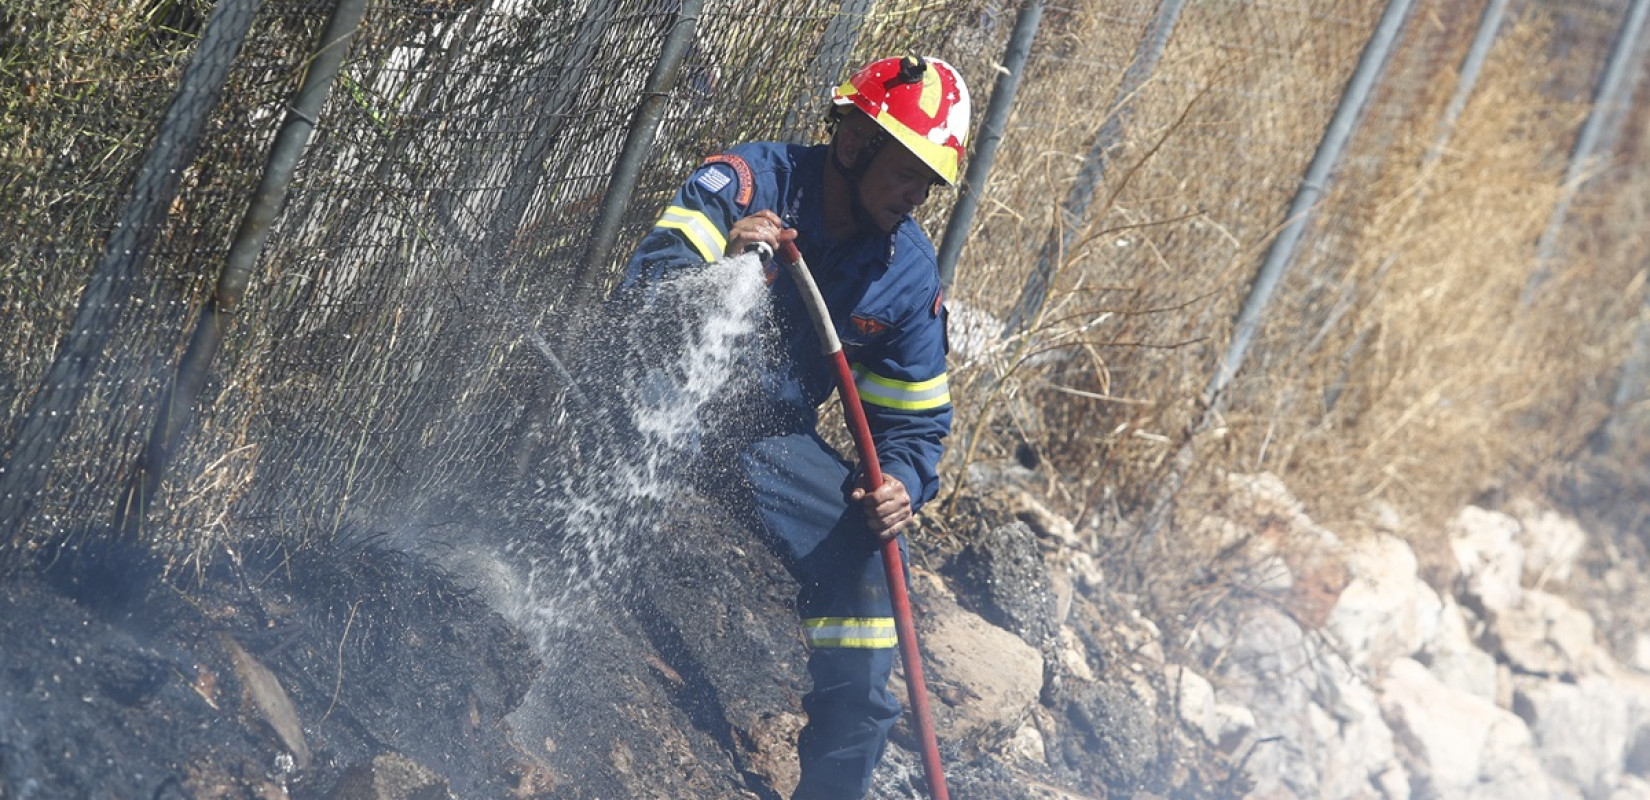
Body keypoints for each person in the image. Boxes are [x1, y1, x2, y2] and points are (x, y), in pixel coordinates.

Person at [621, 55, 969, 800]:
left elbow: (912, 427)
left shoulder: (907, 276)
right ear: (853, 146)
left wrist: (902, 487)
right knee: (621, 453)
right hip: (654, 393)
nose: (916, 196)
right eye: (907, 170)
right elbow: (646, 291)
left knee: (870, 560)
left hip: (762, 440)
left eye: (928, 184)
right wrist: (726, 264)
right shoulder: (748, 180)